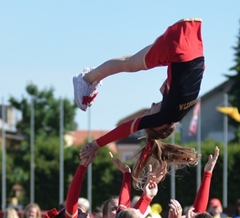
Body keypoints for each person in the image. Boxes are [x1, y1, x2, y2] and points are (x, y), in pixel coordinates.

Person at [75, 19, 204, 185]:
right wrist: (97, 144)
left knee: (132, 61)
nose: (149, 107)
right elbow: (126, 128)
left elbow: (186, 82)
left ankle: (93, 76)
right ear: (159, 126)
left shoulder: (180, 110)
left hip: (195, 48)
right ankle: (87, 79)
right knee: (129, 64)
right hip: (180, 50)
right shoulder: (165, 116)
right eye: (149, 114)